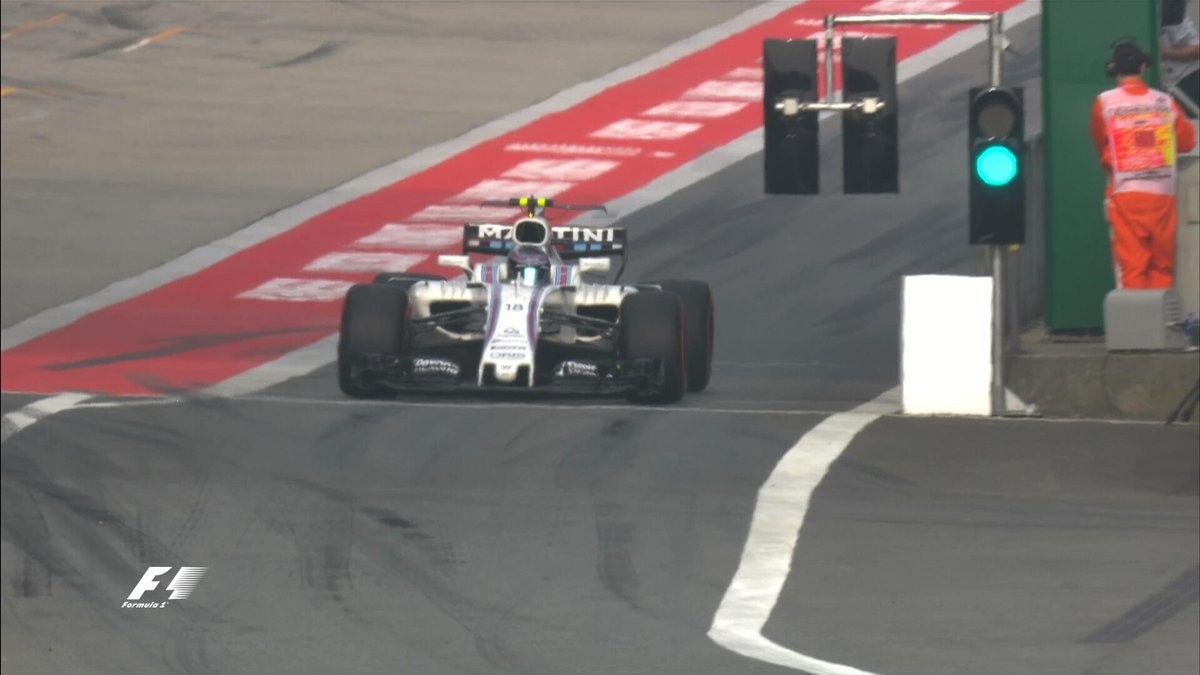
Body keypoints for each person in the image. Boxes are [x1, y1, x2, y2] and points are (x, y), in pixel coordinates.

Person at [1090, 40, 1196, 289]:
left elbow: (1100, 142)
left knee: (1132, 266)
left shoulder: (1105, 102)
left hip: (1125, 195)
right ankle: (1160, 312)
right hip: (1162, 196)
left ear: (1115, 70)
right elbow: (1187, 141)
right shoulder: (1165, 102)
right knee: (1162, 266)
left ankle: (1134, 313)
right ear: (1143, 67)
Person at [1160, 0, 1200, 89]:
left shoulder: (1177, 20)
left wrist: (1165, 53)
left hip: (1188, 75)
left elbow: (1196, 50)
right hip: (1166, 81)